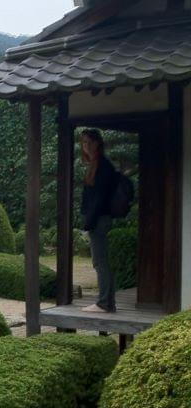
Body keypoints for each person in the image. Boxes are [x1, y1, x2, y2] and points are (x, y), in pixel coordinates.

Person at [80, 128, 116, 313]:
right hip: (97, 217)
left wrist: (89, 221)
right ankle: (107, 302)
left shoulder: (103, 167)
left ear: (97, 143)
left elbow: (100, 198)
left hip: (99, 218)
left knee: (99, 261)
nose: (86, 146)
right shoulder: (95, 165)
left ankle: (104, 303)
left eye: (89, 142)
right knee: (100, 261)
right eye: (83, 142)